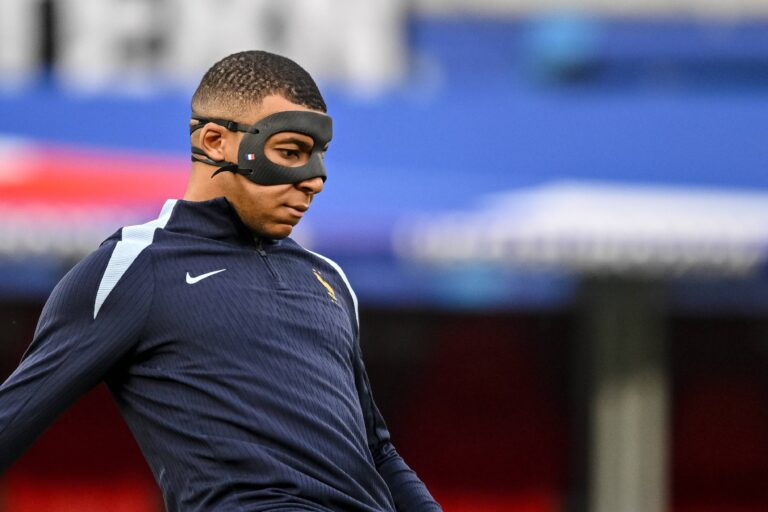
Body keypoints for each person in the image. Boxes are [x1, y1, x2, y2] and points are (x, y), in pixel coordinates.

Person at [0, 50, 441, 512]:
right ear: (214, 141)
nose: (315, 180)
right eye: (291, 152)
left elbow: (379, 452)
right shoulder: (132, 267)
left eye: (318, 157)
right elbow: (13, 416)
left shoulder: (327, 279)